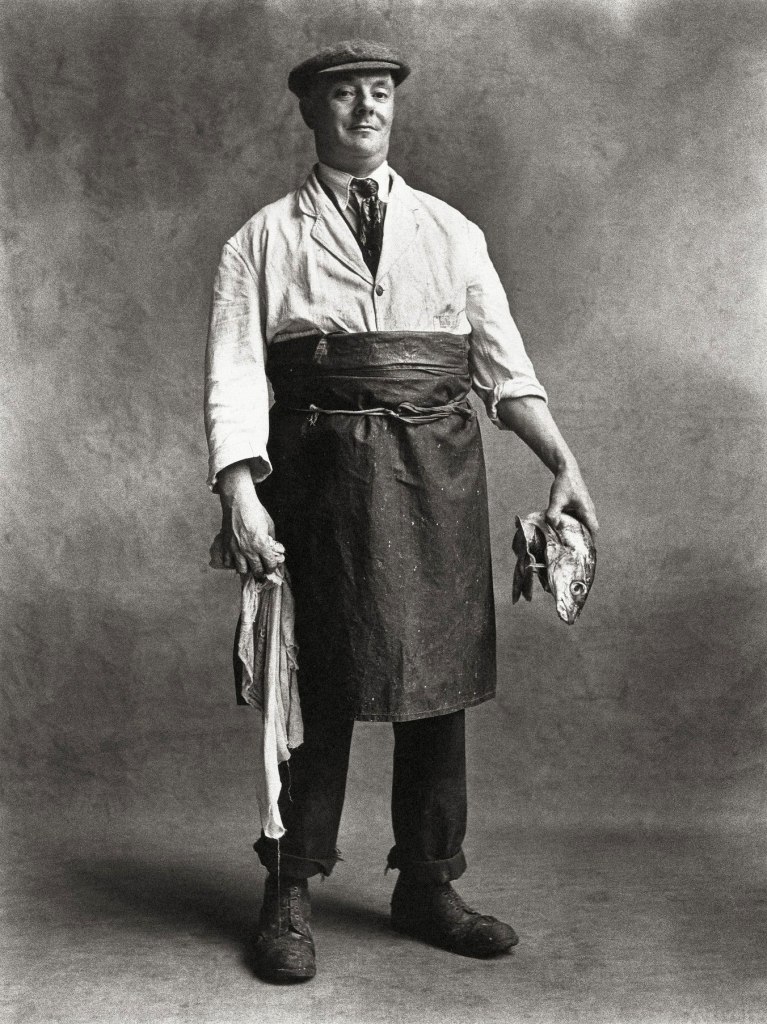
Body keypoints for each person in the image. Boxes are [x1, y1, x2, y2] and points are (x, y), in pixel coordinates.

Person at [204, 40, 598, 983]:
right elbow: (233, 378)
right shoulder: (261, 240)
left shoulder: (451, 232)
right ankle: (290, 890)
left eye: (378, 94)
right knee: (318, 686)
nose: (365, 110)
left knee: (436, 689)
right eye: (344, 96)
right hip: (319, 483)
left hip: (439, 476)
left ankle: (427, 882)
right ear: (310, 112)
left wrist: (565, 464)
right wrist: (239, 495)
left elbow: (504, 369)